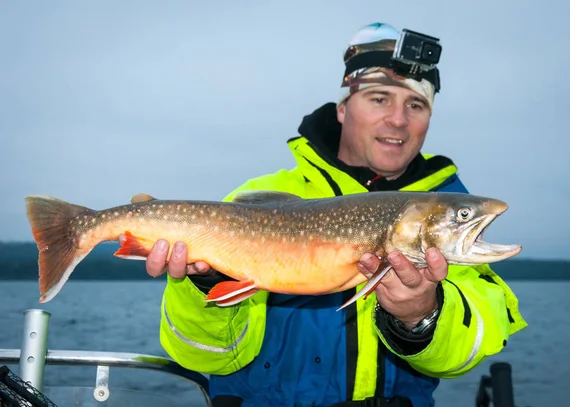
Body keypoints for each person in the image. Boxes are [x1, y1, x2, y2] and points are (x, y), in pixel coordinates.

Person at [124, 22, 527, 407]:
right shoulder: (250, 200)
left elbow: (466, 354)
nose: (399, 120)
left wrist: (422, 314)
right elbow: (205, 357)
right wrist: (206, 285)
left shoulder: (438, 217)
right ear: (343, 108)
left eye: (417, 104)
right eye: (380, 98)